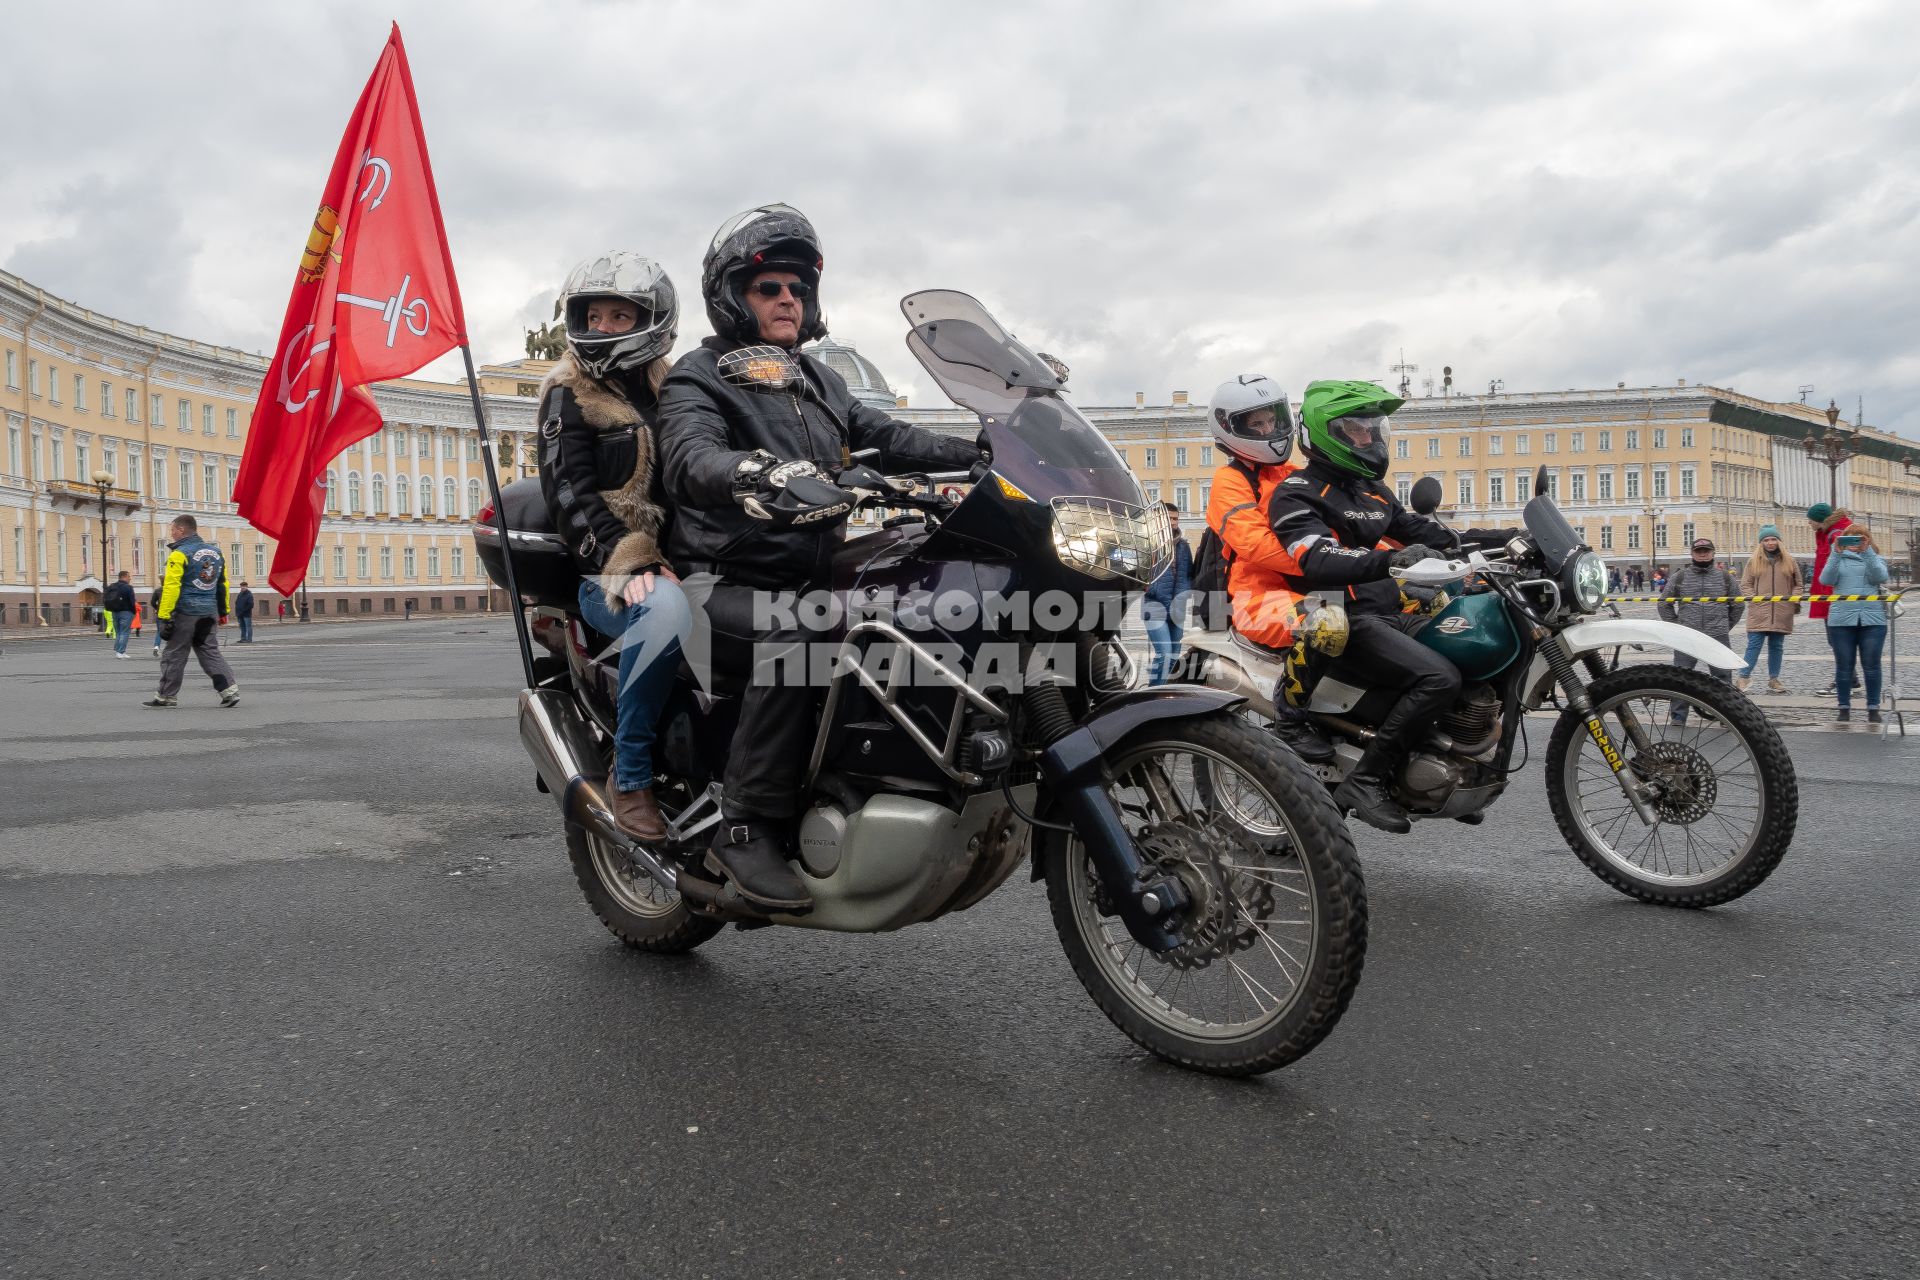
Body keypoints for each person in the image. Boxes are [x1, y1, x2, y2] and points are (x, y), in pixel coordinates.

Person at [658, 202, 980, 911]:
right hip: (720, 583)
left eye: (797, 289)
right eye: (769, 287)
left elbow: (891, 437)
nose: (787, 300)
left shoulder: (820, 382)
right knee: (802, 631)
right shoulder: (700, 376)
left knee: (912, 593)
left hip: (808, 574)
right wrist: (753, 472)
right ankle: (744, 827)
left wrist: (985, 451)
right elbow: (689, 456)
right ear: (734, 297)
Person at [536, 250, 694, 842]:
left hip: (697, 560)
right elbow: (569, 496)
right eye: (593, 316)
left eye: (618, 317)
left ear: (651, 319)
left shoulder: (679, 387)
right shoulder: (567, 394)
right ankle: (630, 778)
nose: (601, 328)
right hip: (609, 571)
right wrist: (632, 561)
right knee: (664, 609)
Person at [1267, 379, 1464, 833]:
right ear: (1326, 433)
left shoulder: (1371, 489)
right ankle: (1368, 779)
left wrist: (1496, 542)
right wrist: (1390, 560)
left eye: (1373, 429)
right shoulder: (1296, 492)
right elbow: (1314, 554)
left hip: (1387, 607)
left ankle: (1448, 762)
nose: (1369, 439)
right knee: (1439, 678)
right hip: (1340, 612)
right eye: (1356, 430)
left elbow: (1418, 529)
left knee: (1465, 641)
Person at [1203, 372, 1334, 763]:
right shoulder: (1230, 480)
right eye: (1255, 424)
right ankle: (1290, 721)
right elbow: (1256, 544)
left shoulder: (1296, 475)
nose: (1268, 430)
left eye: (1272, 421)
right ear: (1231, 429)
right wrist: (1326, 559)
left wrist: (1400, 551)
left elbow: (1344, 524)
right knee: (1325, 623)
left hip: (1314, 583)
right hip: (1259, 597)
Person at [145, 514, 239, 708]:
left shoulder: (179, 554)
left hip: (186, 612)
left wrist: (163, 615)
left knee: (175, 653)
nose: (171, 534)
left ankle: (166, 696)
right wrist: (223, 611)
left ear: (181, 530)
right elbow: (222, 584)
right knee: (209, 651)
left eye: (172, 530)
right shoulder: (216, 553)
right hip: (209, 611)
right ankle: (229, 690)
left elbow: (171, 587)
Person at [1659, 538, 1741, 721]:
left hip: (1717, 635)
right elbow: (1664, 603)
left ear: (1713, 553)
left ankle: (1727, 717)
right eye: (1699, 551)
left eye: (1706, 550)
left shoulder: (1725, 577)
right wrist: (1676, 625)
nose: (1702, 554)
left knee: (1722, 678)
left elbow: (1738, 604)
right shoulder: (1679, 577)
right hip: (1687, 635)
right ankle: (1678, 717)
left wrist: (1725, 625)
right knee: (1681, 677)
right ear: (1692, 554)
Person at [1818, 522, 1889, 723]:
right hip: (1841, 621)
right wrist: (1835, 553)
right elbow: (1826, 579)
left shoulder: (1875, 558)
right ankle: (1843, 707)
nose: (1854, 543)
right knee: (1844, 666)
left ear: (1867, 540)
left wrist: (1867, 553)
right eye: (1850, 538)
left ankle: (1873, 707)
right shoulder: (1838, 559)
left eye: (1859, 538)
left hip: (1872, 620)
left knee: (1872, 665)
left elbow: (1880, 577)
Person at [1736, 524, 1801, 693]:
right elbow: (1746, 584)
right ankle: (1743, 676)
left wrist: (1793, 599)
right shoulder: (1753, 562)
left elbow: (1798, 584)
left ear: (1779, 541)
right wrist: (1754, 600)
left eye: (1773, 539)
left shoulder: (1790, 561)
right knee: (1754, 645)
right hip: (1760, 611)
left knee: (1776, 646)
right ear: (1761, 543)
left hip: (1781, 611)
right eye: (1766, 540)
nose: (1770, 543)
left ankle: (1774, 679)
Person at [1807, 503, 1862, 698]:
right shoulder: (1829, 532)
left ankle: (1843, 681)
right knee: (1837, 641)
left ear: (1820, 520)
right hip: (1830, 595)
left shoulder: (1838, 533)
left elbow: (1853, 562)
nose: (1809, 524)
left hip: (1838, 598)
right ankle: (1851, 680)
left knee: (1841, 642)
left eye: (1811, 520)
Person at [1142, 501, 1192, 684]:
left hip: (1177, 608)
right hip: (1154, 605)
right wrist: (1147, 587)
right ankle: (1152, 697)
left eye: (1175, 518)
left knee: (1173, 655)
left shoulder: (1184, 546)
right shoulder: (1148, 544)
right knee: (1164, 653)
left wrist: (1184, 595)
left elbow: (1188, 574)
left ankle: (1159, 691)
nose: (1172, 522)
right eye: (1168, 518)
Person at [103, 570, 137, 659]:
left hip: (114, 612)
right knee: (124, 633)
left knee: (118, 632)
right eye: (129, 577)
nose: (130, 578)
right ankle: (120, 651)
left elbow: (105, 598)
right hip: (126, 612)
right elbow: (132, 602)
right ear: (124, 577)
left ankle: (120, 651)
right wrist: (133, 612)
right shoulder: (128, 587)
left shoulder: (112, 586)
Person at [149, 584, 164, 655]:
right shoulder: (173, 589)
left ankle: (156, 647)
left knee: (159, 631)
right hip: (171, 613)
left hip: (160, 613)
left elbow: (152, 602)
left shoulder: (158, 590)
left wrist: (157, 608)